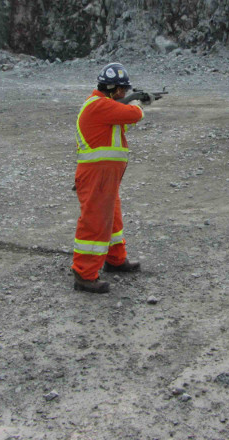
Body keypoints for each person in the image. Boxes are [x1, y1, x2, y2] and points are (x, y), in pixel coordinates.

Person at [71, 62, 152, 293]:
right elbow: (134, 114)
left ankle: (115, 259)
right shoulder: (98, 105)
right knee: (95, 222)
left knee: (112, 219)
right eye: (123, 90)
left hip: (104, 177)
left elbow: (121, 121)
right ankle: (84, 273)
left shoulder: (103, 106)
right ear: (113, 89)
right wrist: (138, 103)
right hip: (97, 175)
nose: (124, 93)